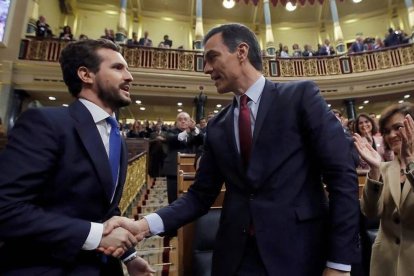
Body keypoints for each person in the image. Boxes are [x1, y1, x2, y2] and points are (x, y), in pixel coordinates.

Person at [107, 23, 360, 275]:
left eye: (212, 57)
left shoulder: (299, 97)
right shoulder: (218, 126)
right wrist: (144, 225)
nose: (206, 69)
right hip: (236, 259)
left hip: (300, 254)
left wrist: (339, 262)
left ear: (241, 52)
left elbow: (341, 176)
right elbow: (200, 196)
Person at [0, 39, 154, 275]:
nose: (129, 76)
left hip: (101, 267)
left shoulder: (116, 136)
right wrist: (96, 236)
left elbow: (104, 210)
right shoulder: (46, 123)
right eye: (117, 68)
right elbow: (7, 209)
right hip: (47, 267)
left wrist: (128, 256)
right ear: (86, 74)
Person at [354, 102, 414, 276]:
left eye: (398, 127)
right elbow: (370, 212)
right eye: (387, 131)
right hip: (385, 263)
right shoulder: (385, 168)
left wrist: (409, 160)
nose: (392, 135)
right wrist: (374, 170)